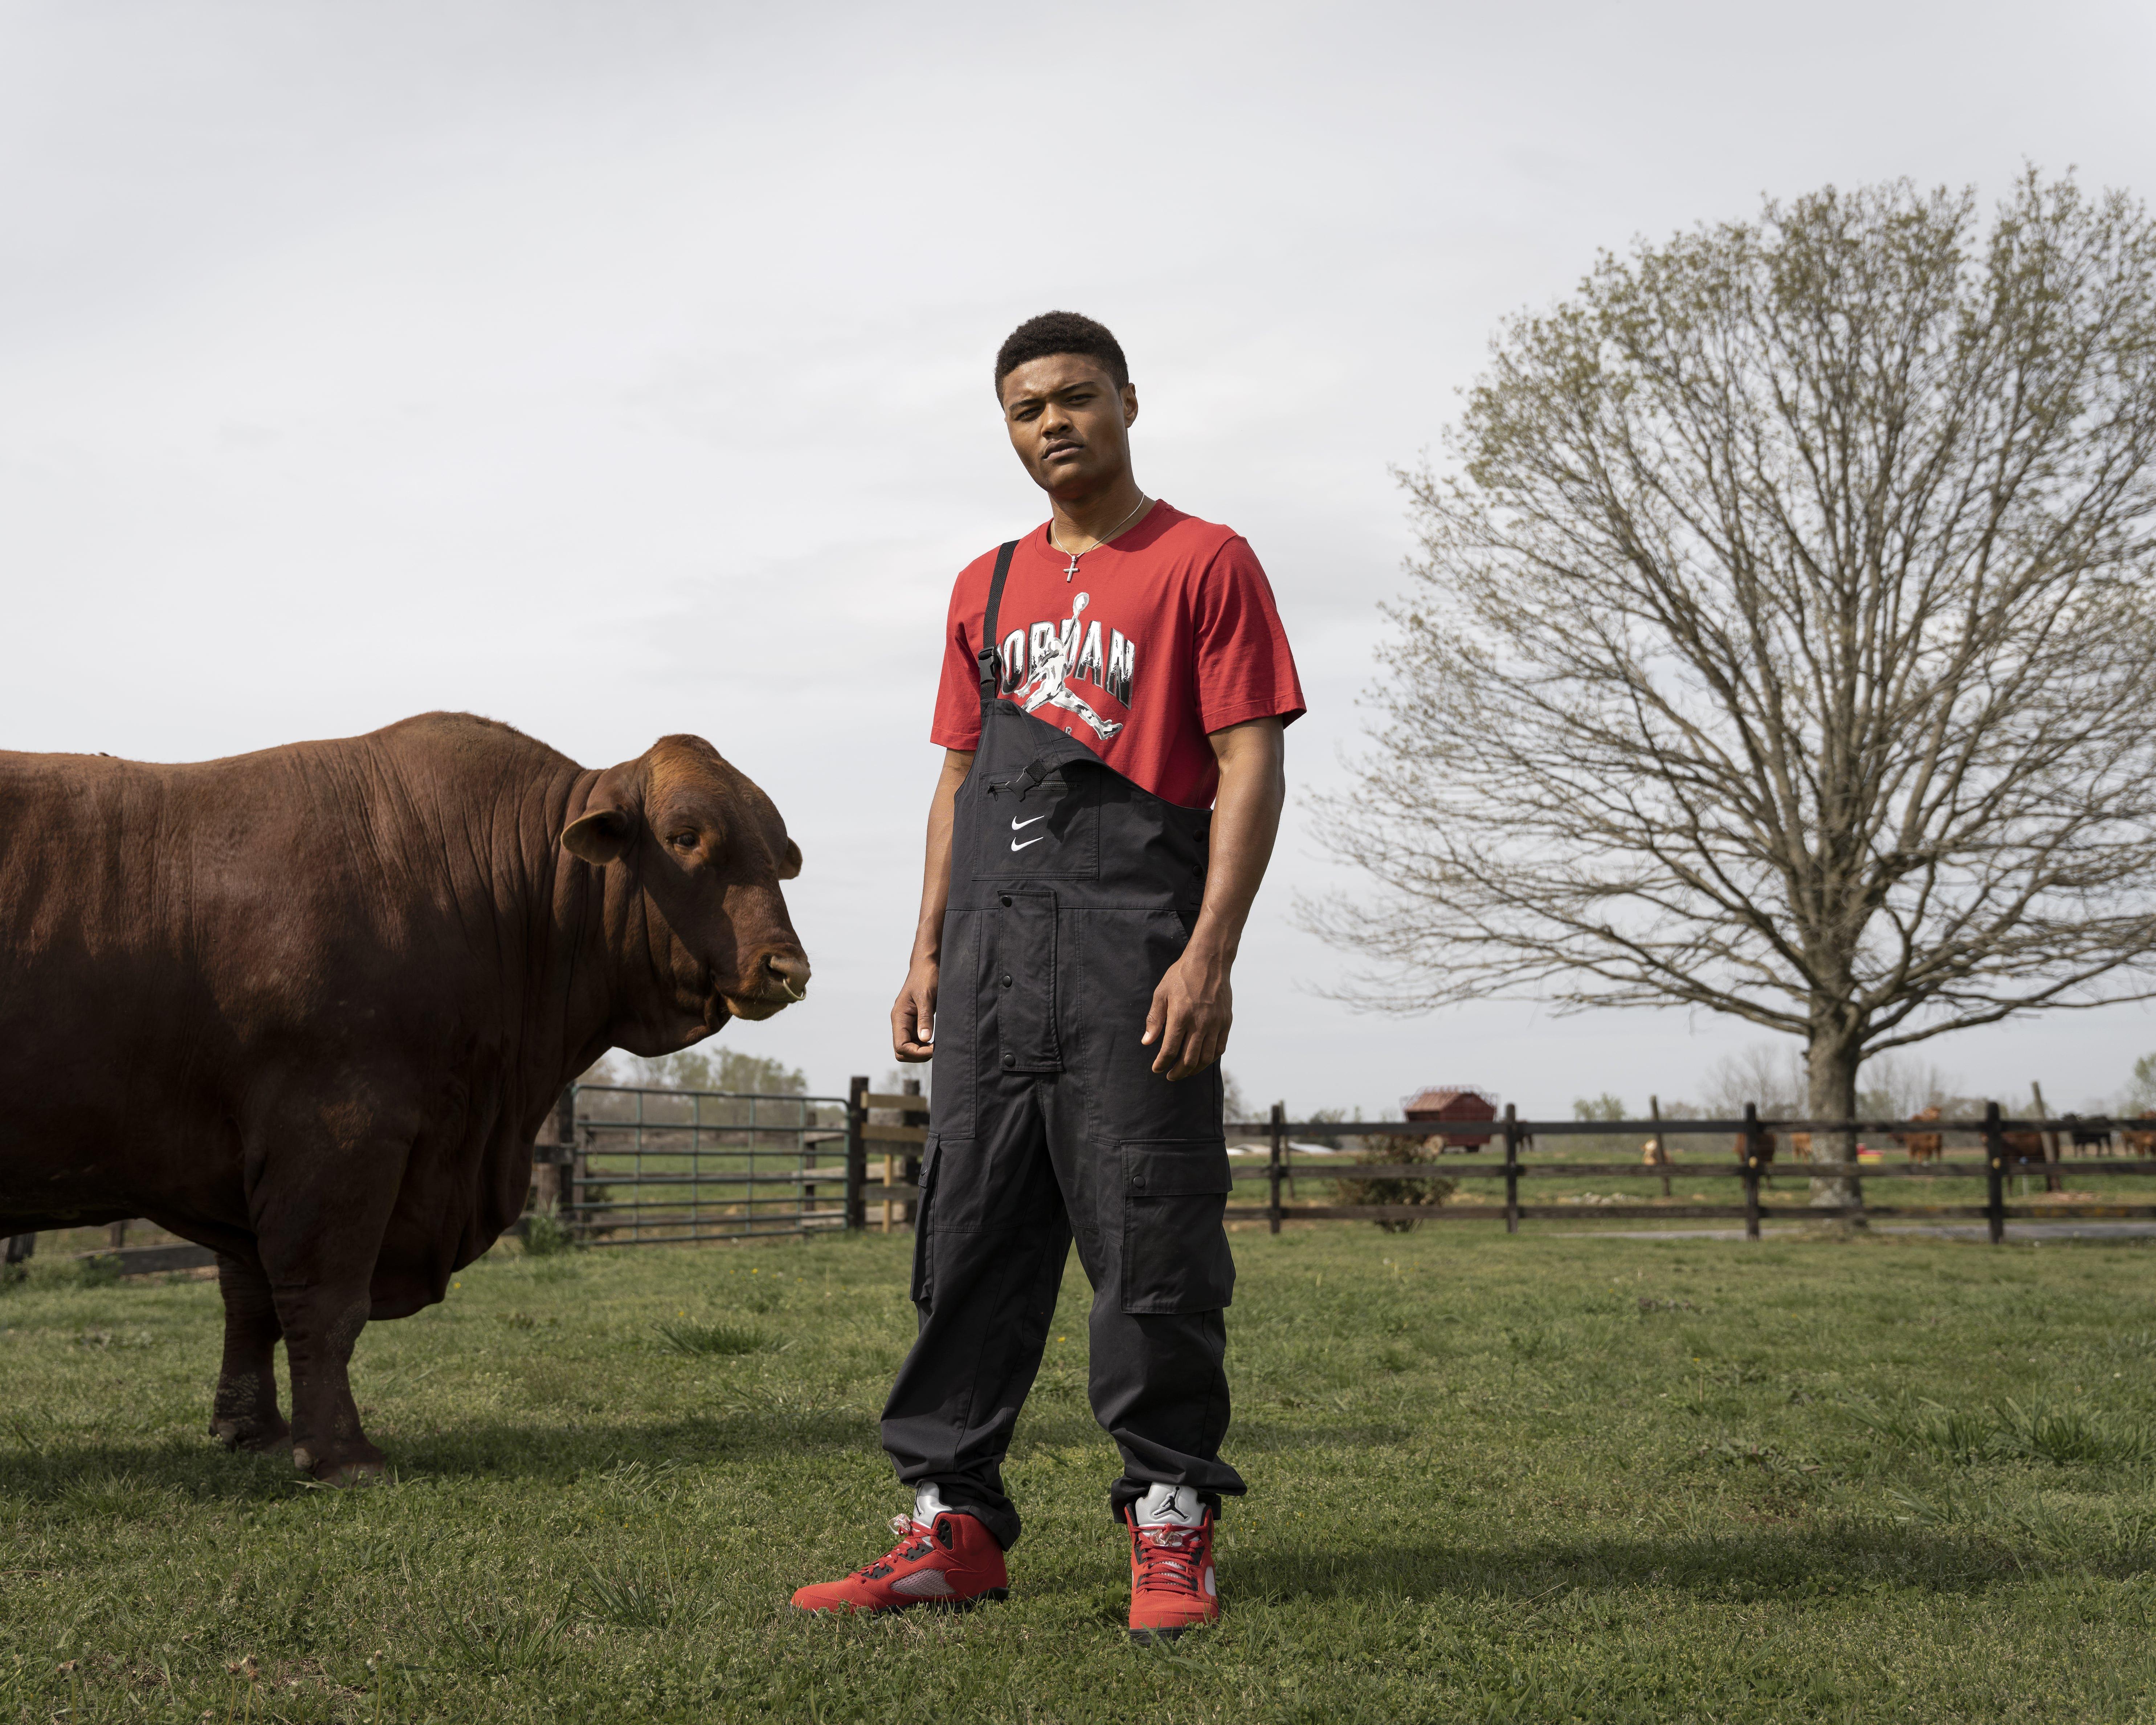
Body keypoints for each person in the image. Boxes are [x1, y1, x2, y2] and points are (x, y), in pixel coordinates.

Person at [792, 311, 1303, 1642]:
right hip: (992, 964)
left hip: (1133, 955)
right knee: (965, 1241)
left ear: (1129, 402)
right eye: (1025, 410)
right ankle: (948, 1530)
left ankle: (1171, 1527)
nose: (1051, 426)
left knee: (1151, 1251)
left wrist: (1210, 950)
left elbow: (1250, 758)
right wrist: (926, 948)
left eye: (1075, 399)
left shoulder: (1205, 561)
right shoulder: (989, 585)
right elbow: (959, 778)